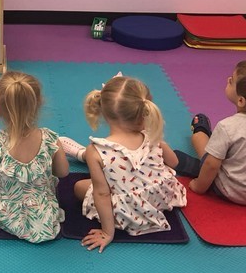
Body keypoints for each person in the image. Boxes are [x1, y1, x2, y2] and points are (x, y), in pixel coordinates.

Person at [62, 75, 186, 252]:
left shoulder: (95, 150)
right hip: (160, 198)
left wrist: (107, 233)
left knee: (79, 187)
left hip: (130, 212)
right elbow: (174, 162)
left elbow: (102, 194)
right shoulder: (151, 135)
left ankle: (83, 155)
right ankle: (85, 156)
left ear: (104, 112)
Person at [0, 71, 69, 243]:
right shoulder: (52, 140)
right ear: (39, 103)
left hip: (7, 214)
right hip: (42, 217)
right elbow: (62, 172)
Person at [173, 60, 246, 206]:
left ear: (241, 100)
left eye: (231, 80)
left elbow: (211, 165)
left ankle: (200, 130)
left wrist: (199, 187)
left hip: (231, 192)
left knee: (197, 144)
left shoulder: (227, 127)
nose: (227, 79)